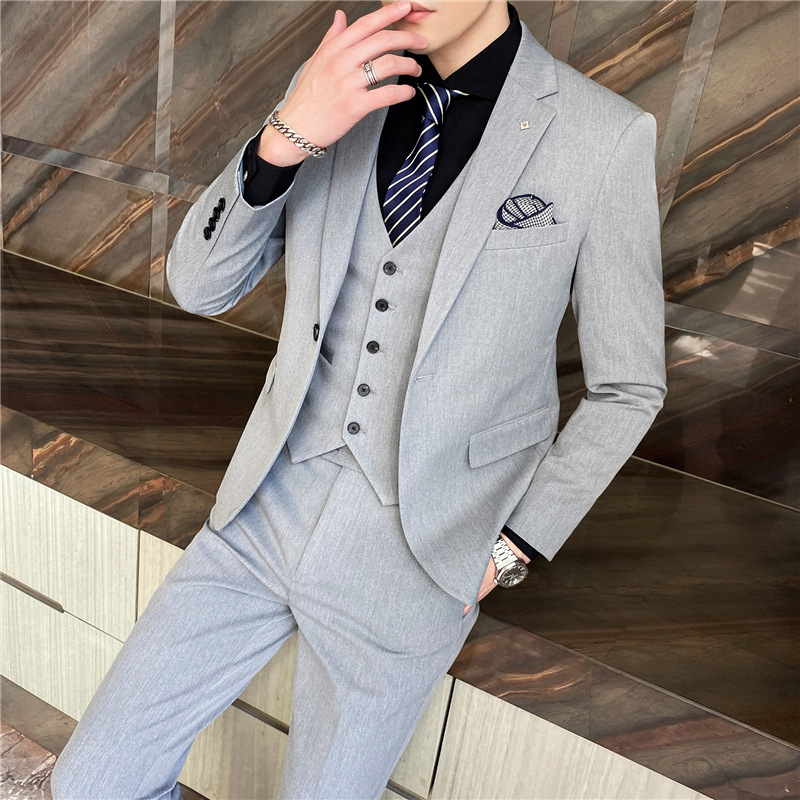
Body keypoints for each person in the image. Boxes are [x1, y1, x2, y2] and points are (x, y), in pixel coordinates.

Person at [50, 2, 667, 798]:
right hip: (265, 507)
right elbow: (199, 289)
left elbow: (629, 386)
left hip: (421, 550)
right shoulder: (335, 84)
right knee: (92, 783)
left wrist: (513, 547)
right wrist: (284, 139)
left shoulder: (605, 135)